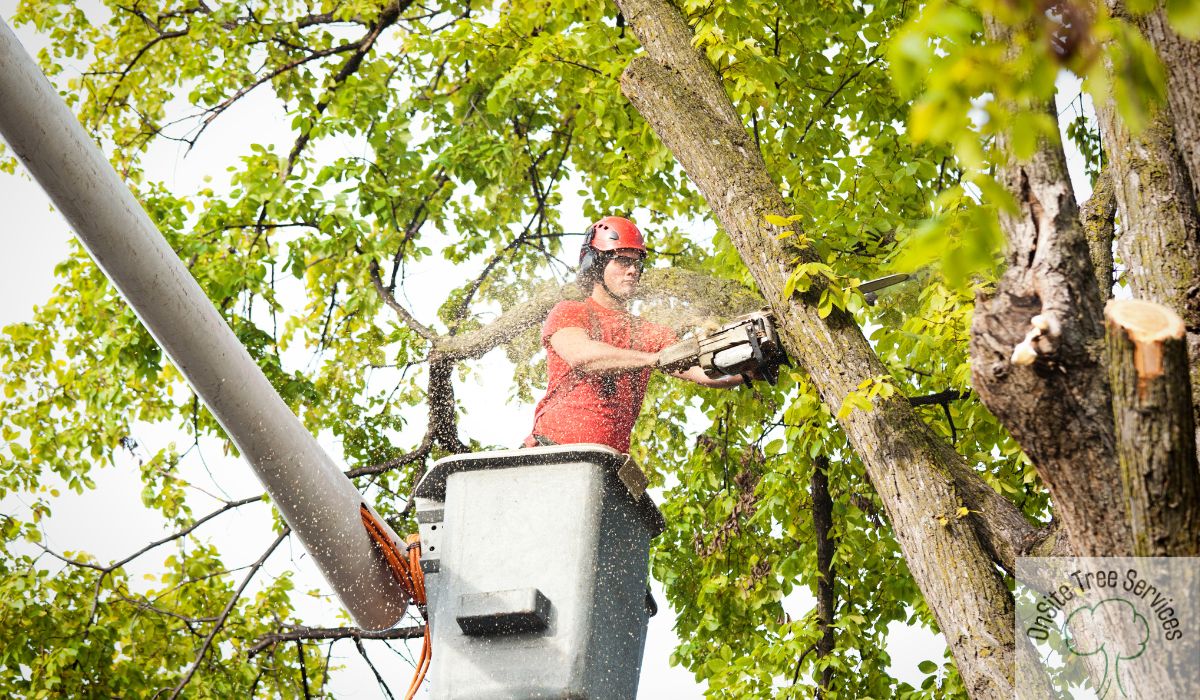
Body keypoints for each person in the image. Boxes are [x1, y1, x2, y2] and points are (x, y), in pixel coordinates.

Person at [523, 216, 747, 453]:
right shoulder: (571, 312)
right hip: (551, 453)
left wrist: (747, 369)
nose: (632, 270)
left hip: (608, 462)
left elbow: (704, 372)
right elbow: (583, 356)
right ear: (596, 265)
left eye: (636, 263)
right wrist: (652, 359)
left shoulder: (649, 333)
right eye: (622, 261)